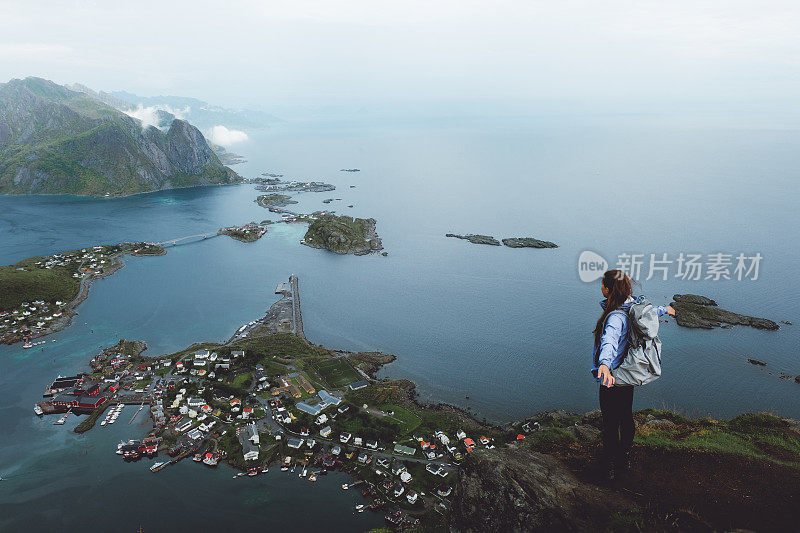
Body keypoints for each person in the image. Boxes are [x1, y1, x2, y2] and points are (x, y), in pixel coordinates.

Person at [591, 269, 675, 480]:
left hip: (613, 376)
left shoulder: (616, 316)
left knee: (610, 423)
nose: (601, 287)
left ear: (608, 290)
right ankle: (623, 458)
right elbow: (652, 312)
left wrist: (604, 365)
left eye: (602, 285)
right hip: (628, 375)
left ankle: (607, 467)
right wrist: (666, 309)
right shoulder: (633, 306)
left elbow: (610, 340)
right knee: (626, 416)